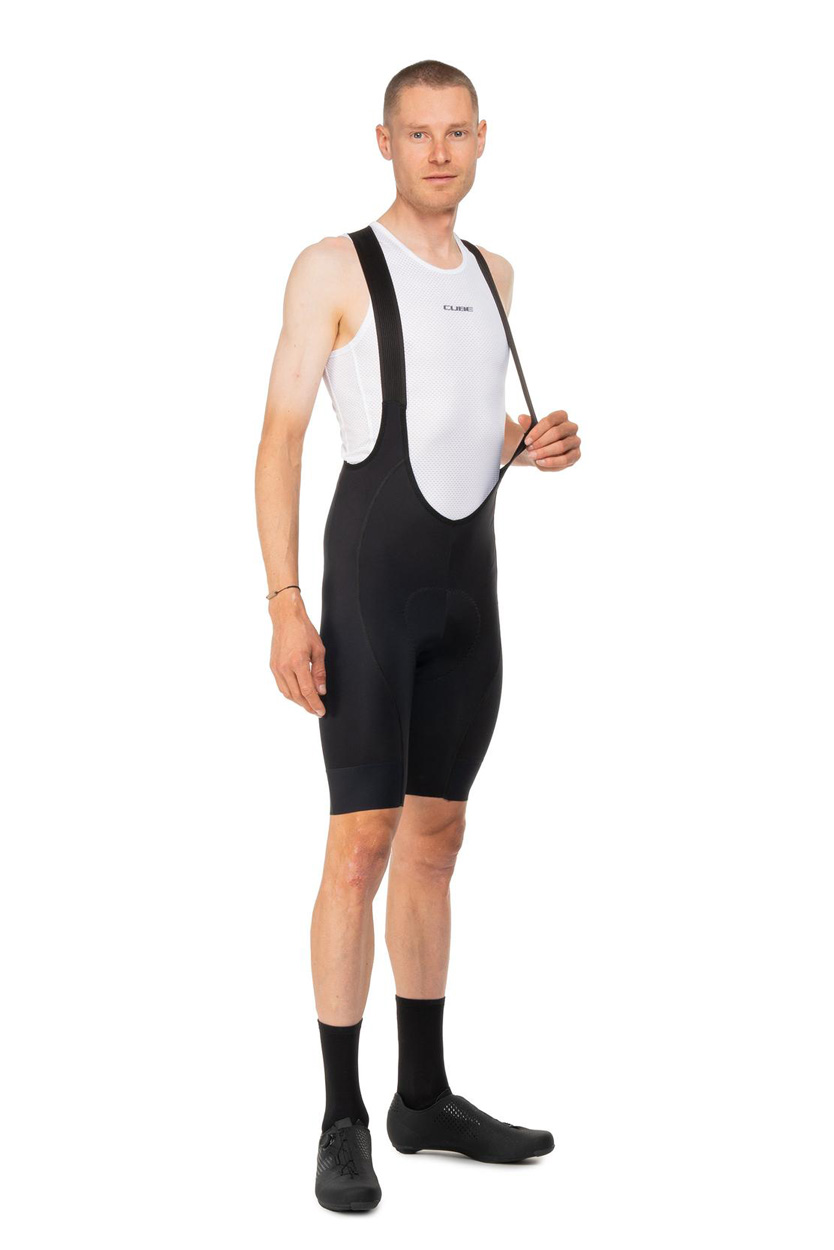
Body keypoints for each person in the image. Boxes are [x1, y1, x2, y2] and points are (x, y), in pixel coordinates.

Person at [255, 59, 581, 1213]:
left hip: (466, 603)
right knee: (360, 847)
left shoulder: (497, 275)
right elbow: (282, 435)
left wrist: (525, 442)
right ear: (384, 142)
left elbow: (460, 428)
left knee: (438, 838)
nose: (439, 152)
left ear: (481, 138)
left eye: (456, 132)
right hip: (370, 595)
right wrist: (285, 601)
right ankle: (343, 1115)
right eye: (417, 133)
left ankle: (424, 1095)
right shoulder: (333, 266)